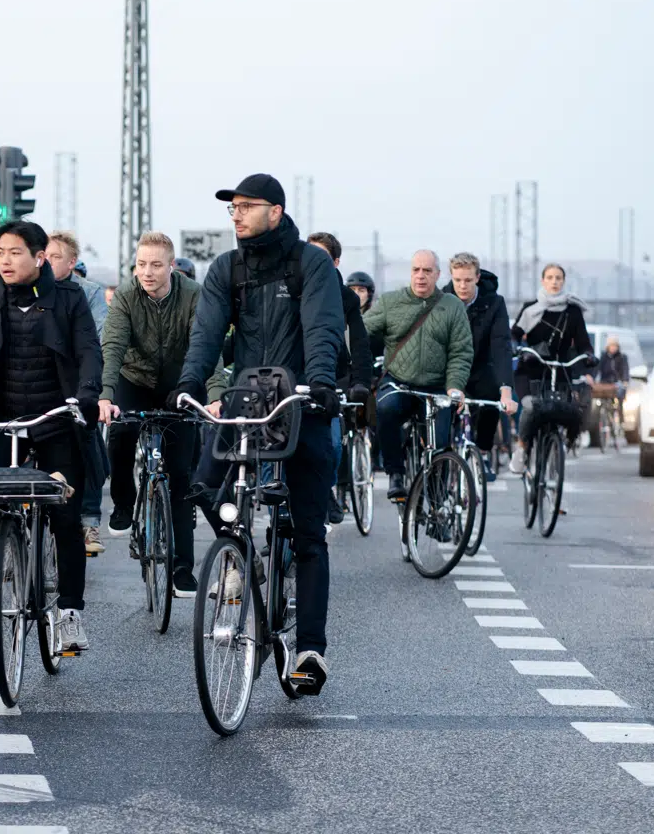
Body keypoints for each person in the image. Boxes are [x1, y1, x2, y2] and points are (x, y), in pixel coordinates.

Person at [171, 173, 344, 693]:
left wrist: (319, 383)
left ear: (276, 210)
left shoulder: (309, 264)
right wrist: (188, 382)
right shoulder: (227, 268)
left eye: (247, 206)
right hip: (248, 399)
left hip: (300, 400)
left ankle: (310, 647)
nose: (238, 215)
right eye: (233, 209)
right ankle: (239, 555)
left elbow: (321, 327)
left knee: (308, 531)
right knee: (205, 483)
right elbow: (206, 330)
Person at [0, 220, 102, 650]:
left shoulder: (68, 298)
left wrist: (86, 395)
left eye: (14, 252)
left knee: (65, 516)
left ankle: (69, 613)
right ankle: (9, 545)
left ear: (39, 257)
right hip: (2, 416)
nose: (5, 261)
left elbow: (88, 351)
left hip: (56, 417)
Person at [99, 231, 206, 596]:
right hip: (134, 378)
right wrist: (105, 396)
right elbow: (112, 346)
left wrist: (214, 395)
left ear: (171, 267)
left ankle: (182, 568)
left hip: (180, 382)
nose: (147, 271)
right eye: (141, 264)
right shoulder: (128, 294)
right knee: (122, 430)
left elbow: (204, 347)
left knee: (180, 477)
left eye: (156, 265)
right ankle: (124, 501)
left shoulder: (192, 294)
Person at [361, 250, 474, 509]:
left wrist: (455, 386)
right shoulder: (391, 302)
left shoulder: (452, 306)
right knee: (384, 410)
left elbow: (461, 351)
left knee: (440, 442)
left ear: (437, 274)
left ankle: (437, 501)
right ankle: (395, 473)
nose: (421, 276)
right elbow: (360, 331)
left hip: (436, 387)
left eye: (427, 271)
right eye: (416, 270)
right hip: (399, 381)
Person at [47, 230, 110, 553]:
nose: (47, 261)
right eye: (44, 254)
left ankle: (89, 522)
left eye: (55, 256)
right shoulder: (30, 290)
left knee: (88, 446)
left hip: (78, 384)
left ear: (72, 263)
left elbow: (98, 342)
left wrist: (92, 387)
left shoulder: (89, 293)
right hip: (40, 384)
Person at [307, 233, 373, 524]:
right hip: (294, 377)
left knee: (333, 444)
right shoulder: (292, 288)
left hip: (332, 379)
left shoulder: (346, 299)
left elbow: (358, 343)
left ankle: (326, 489)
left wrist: (360, 382)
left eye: (321, 257)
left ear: (335, 262)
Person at [510, 263, 594, 471]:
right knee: (530, 408)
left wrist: (589, 356)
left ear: (563, 281)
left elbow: (583, 342)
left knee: (569, 410)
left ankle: (561, 443)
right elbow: (514, 335)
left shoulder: (573, 311)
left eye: (558, 278)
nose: (554, 282)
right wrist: (517, 348)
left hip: (561, 369)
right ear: (542, 281)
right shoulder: (531, 308)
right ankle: (521, 447)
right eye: (550, 277)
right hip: (531, 370)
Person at [442, 253, 517, 481]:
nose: (462, 286)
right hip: (449, 369)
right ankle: (442, 462)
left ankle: (483, 452)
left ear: (477, 278)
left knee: (491, 401)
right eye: (458, 281)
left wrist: (506, 390)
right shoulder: (441, 300)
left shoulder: (494, 303)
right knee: (440, 415)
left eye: (468, 280)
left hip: (482, 366)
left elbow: (501, 346)